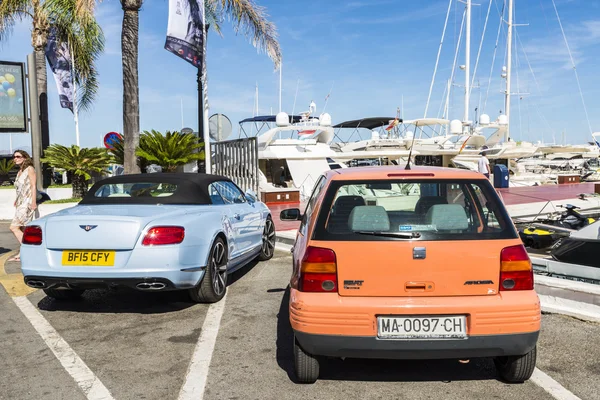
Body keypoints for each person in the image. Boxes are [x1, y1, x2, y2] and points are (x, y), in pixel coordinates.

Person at [8, 150, 38, 262]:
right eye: (14, 157)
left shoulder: (30, 169)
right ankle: (23, 252)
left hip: (27, 202)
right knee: (22, 228)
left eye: (18, 156)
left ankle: (28, 250)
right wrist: (16, 200)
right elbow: (19, 188)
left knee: (14, 227)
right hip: (20, 202)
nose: (15, 158)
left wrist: (33, 202)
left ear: (25, 157)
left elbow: (33, 185)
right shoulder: (20, 171)